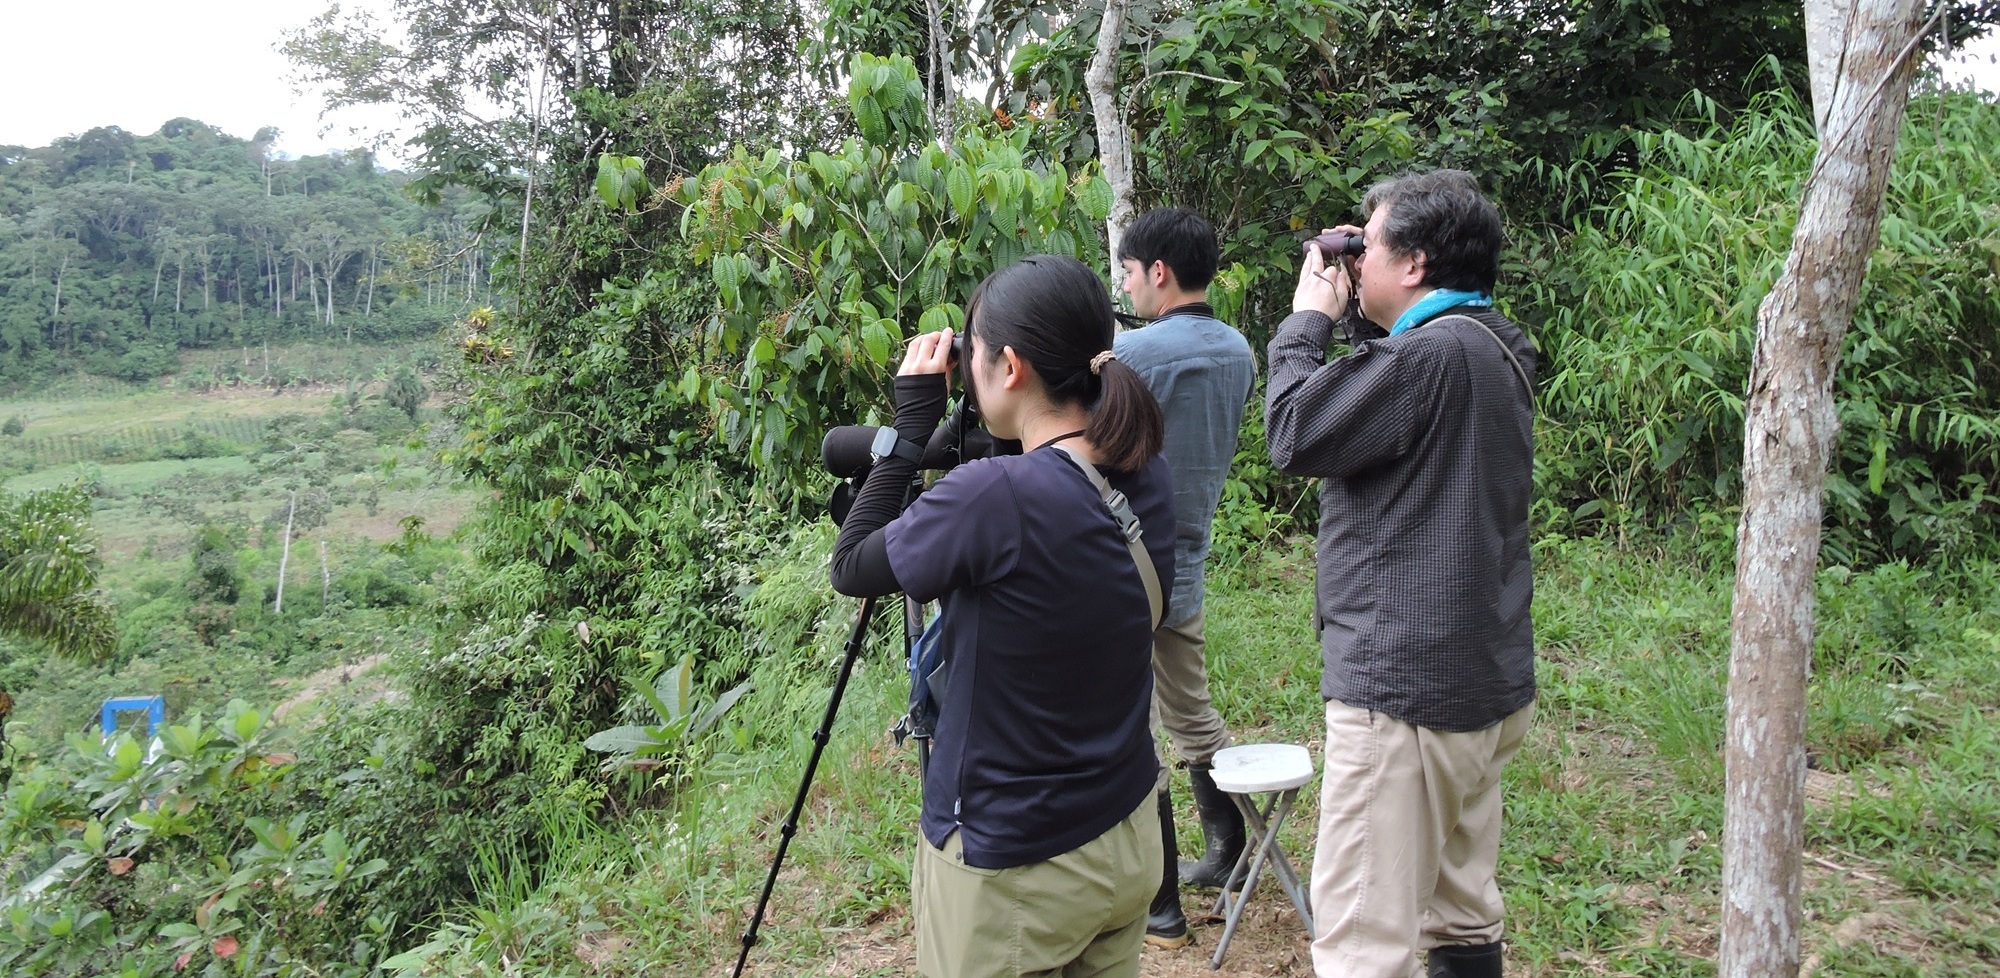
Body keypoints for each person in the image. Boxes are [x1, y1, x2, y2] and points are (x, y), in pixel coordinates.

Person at [830, 254, 1177, 978]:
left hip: (1013, 867)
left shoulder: (995, 498)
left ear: (1010, 367)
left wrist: (908, 425)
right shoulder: (1142, 463)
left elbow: (853, 564)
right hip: (1125, 835)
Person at [1262, 169, 1537, 978]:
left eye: (1366, 243)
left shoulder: (1427, 359)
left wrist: (1306, 321)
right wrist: (1354, 317)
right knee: (1461, 913)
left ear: (1414, 264)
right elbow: (1375, 416)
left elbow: (1293, 433)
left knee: (1360, 943)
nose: (1353, 258)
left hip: (1404, 698)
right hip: (1477, 683)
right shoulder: (1493, 345)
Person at [1110, 207, 1257, 947]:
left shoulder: (1131, 356)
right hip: (1187, 558)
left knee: (1133, 730)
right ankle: (1228, 850)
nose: (1126, 285)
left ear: (1157, 272)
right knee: (1190, 708)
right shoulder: (1241, 351)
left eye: (1129, 273)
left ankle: (1161, 905)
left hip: (1122, 566)